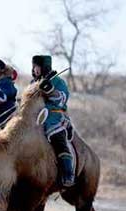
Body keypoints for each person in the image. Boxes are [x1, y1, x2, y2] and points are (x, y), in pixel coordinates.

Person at [32, 55, 75, 187]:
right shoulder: (33, 83)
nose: (34, 70)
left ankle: (68, 174)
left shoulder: (58, 82)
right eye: (33, 67)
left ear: (44, 67)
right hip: (34, 118)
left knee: (57, 139)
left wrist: (50, 90)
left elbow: (62, 99)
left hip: (54, 117)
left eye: (37, 67)